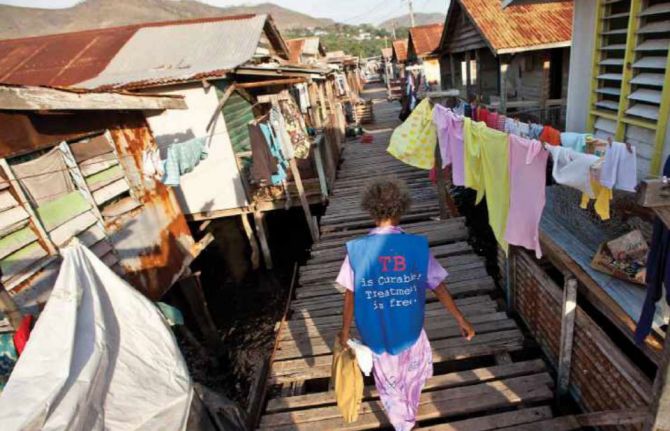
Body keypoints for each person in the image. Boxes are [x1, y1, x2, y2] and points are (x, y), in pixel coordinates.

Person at [336, 177, 475, 431]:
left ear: (370, 210)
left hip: (377, 334)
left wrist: (345, 331)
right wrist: (460, 318)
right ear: (401, 210)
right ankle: (407, 418)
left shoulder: (357, 251)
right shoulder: (416, 247)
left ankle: (403, 421)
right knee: (413, 377)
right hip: (410, 332)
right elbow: (438, 286)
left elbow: (350, 294)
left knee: (389, 386)